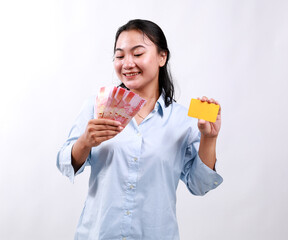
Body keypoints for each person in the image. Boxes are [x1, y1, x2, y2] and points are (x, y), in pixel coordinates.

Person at [57, 19, 223, 240]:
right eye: (119, 55)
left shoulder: (184, 119)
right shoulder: (96, 107)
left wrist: (209, 138)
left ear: (162, 57)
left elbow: (200, 185)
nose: (127, 63)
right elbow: (64, 163)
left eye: (137, 54)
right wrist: (84, 142)